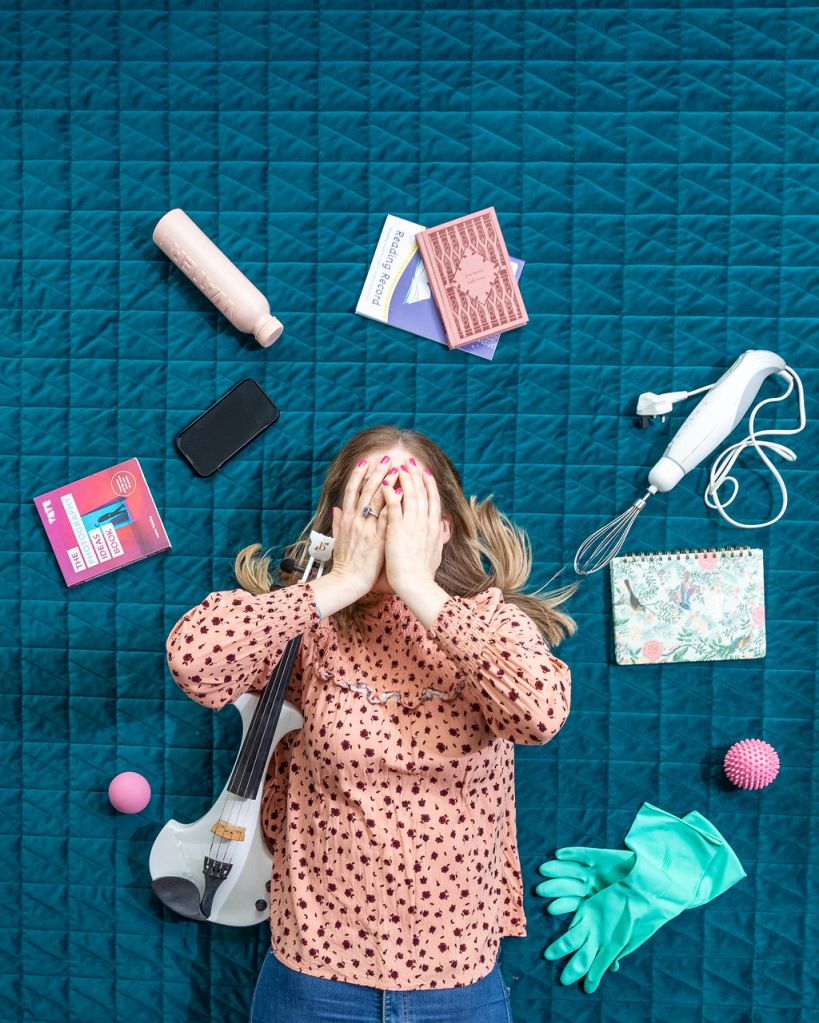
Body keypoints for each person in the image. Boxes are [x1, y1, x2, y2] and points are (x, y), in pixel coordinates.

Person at [166, 425, 575, 1023]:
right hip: (313, 972)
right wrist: (340, 583)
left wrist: (418, 587)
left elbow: (539, 715)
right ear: (338, 522)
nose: (388, 529)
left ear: (443, 527)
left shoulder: (493, 623)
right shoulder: (307, 624)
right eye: (371, 510)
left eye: (407, 511)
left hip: (457, 977)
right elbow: (196, 666)